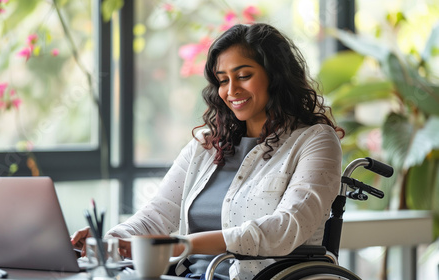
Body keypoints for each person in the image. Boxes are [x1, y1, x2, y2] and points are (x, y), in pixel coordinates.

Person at [71, 23, 343, 280]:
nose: (231, 90)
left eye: (244, 76)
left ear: (276, 77)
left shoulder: (315, 141)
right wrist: (111, 239)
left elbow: (286, 227)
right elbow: (157, 214)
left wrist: (184, 244)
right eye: (223, 80)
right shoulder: (206, 145)